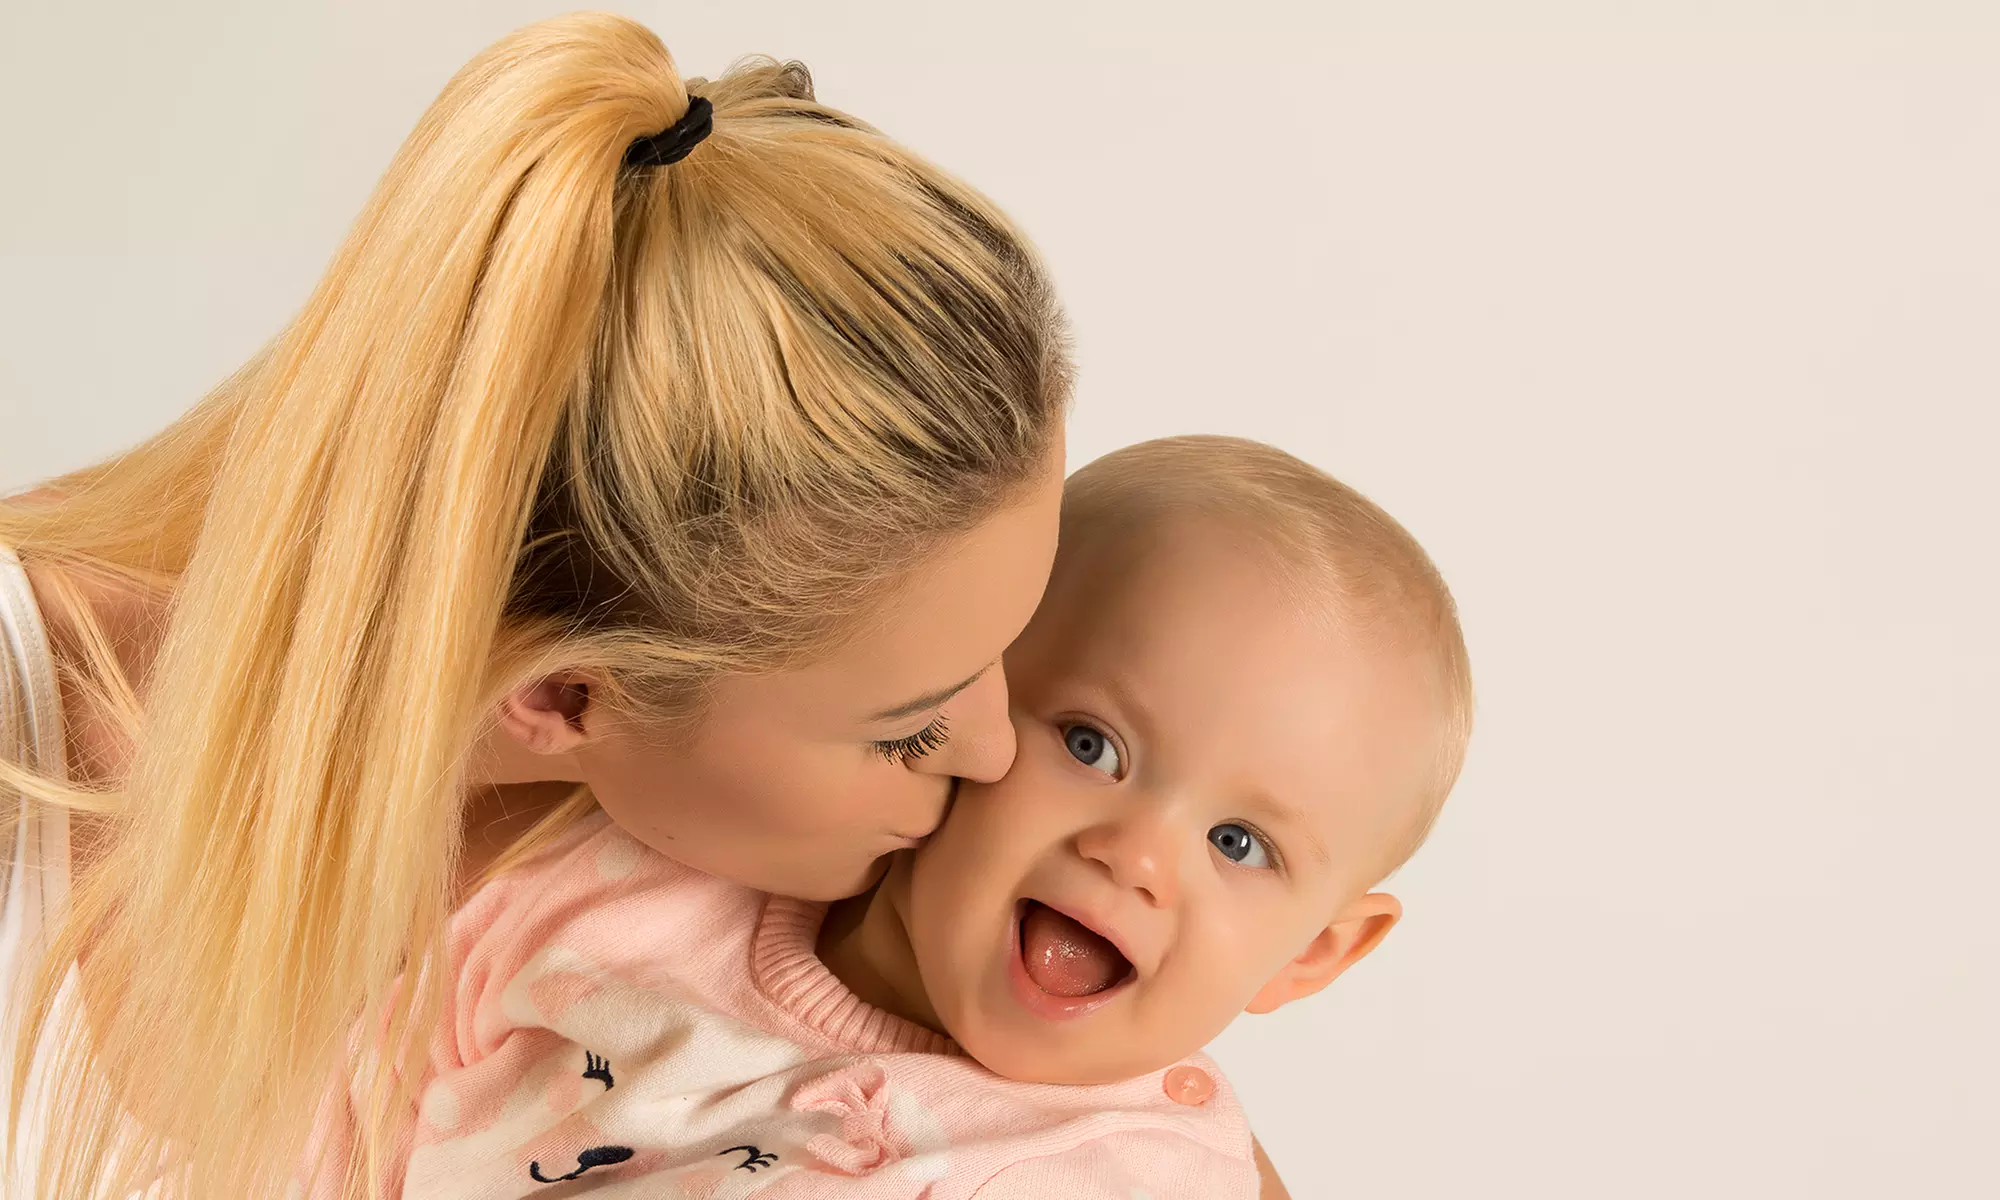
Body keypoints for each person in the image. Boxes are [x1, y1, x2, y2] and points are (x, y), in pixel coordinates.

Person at [0, 14, 1074, 1198]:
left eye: (1009, 645)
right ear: (560, 694)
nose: (997, 750)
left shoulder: (717, 858)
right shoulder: (23, 759)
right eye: (906, 730)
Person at [314, 436, 1472, 1198]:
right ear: (962, 689)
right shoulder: (617, 885)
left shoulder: (1123, 1173)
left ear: (1315, 953)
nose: (1134, 856)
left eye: (1237, 845)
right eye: (1090, 744)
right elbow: (326, 1107)